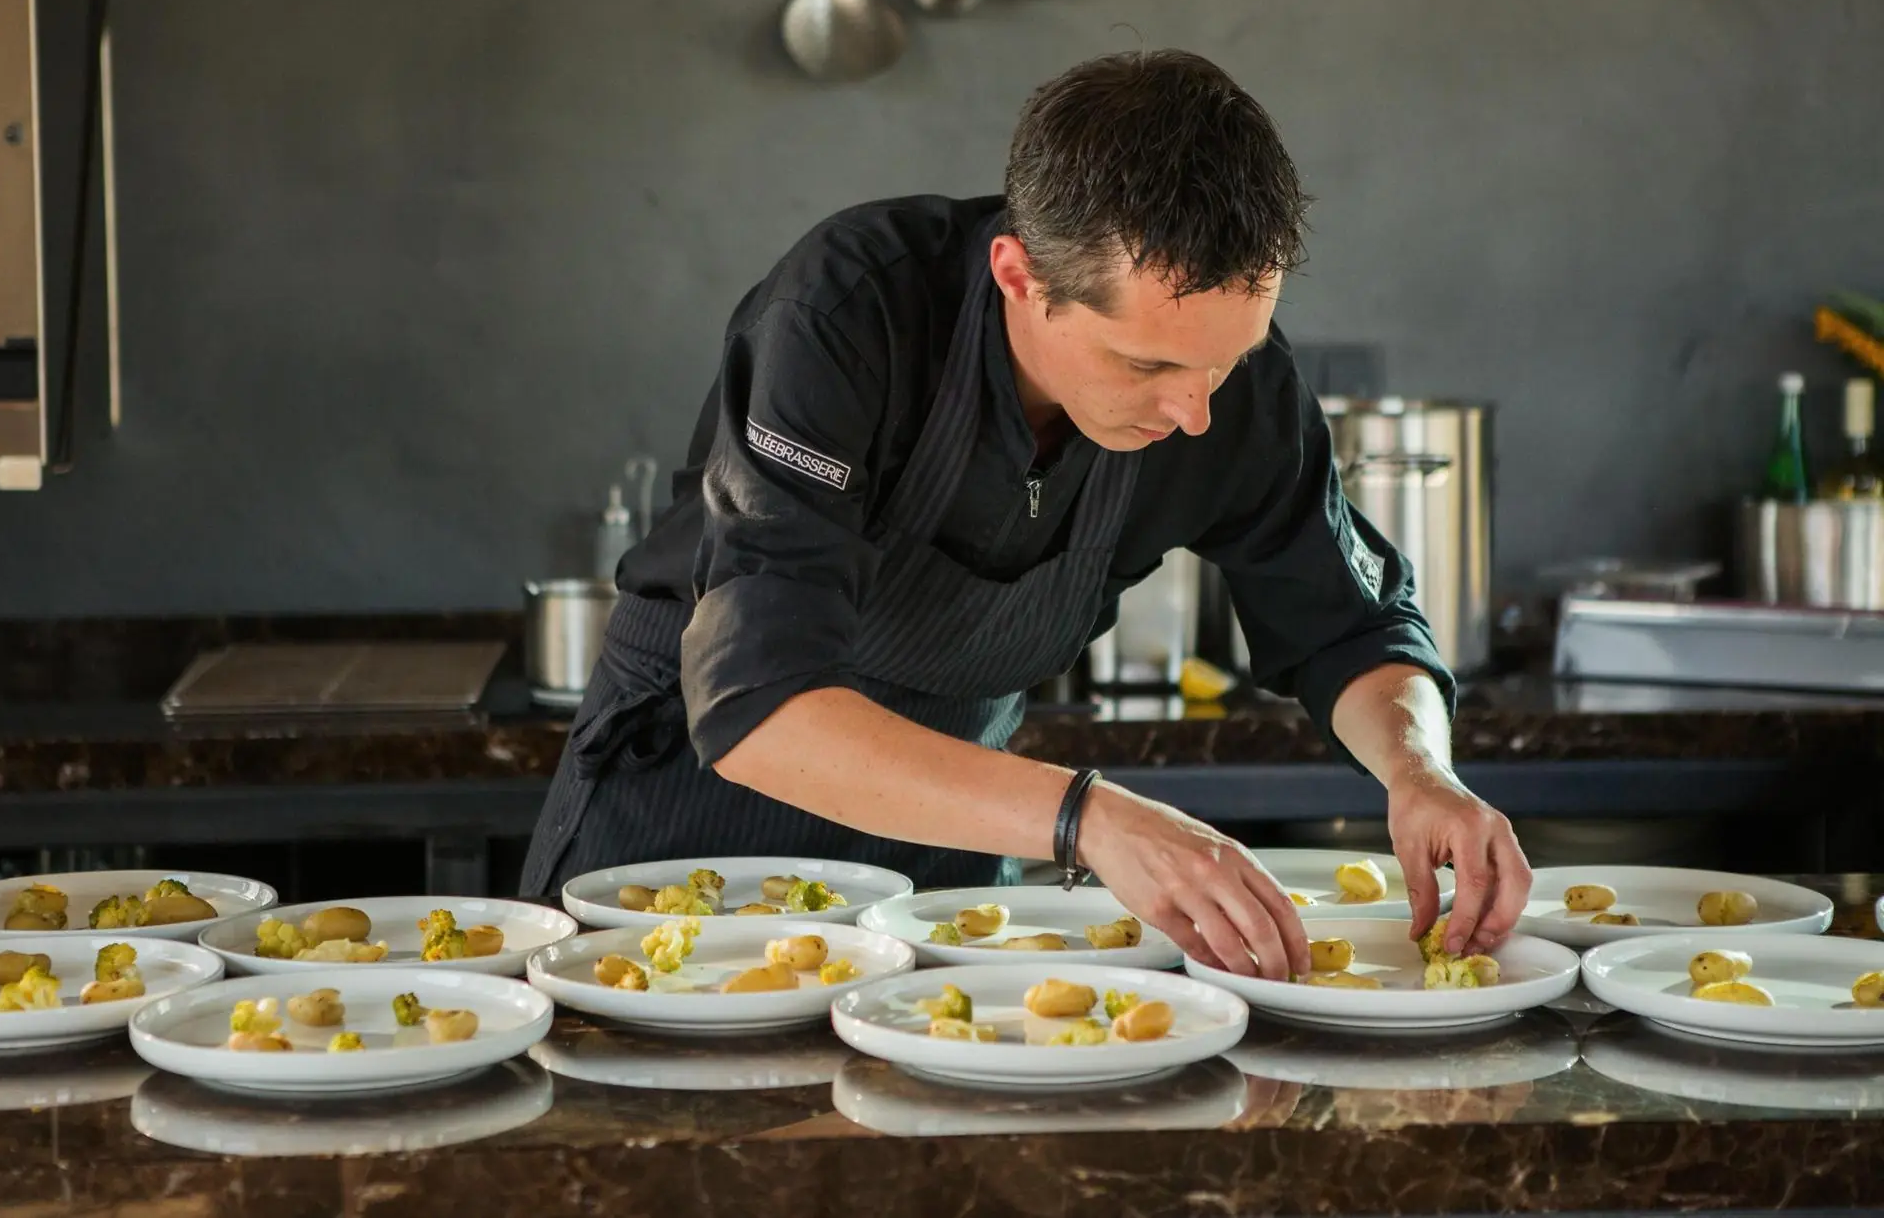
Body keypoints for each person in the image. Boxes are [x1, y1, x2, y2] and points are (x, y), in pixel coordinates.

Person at [518, 49, 1532, 978]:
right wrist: (1090, 817)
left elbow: (1349, 624)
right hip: (678, 838)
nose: (1194, 412)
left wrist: (1418, 769)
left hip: (951, 861)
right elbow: (756, 707)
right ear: (1018, 275)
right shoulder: (845, 313)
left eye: (1225, 360)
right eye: (1146, 365)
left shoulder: (1229, 394)